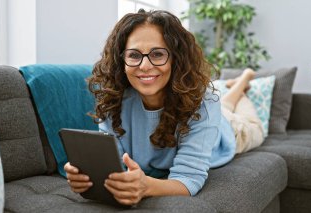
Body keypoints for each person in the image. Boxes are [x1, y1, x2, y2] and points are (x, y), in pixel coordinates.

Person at [64, 9, 236, 206]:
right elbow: (116, 167)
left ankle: (241, 83)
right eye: (134, 55)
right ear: (122, 60)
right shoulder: (113, 99)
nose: (145, 66)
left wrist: (146, 186)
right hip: (213, 116)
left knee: (240, 115)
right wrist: (88, 172)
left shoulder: (205, 103)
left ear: (175, 58)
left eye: (157, 54)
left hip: (227, 132)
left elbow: (189, 179)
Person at [221, 68, 264, 153]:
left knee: (256, 128)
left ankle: (243, 80)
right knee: (224, 105)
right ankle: (241, 83)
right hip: (220, 114)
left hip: (232, 125)